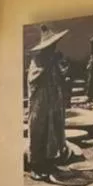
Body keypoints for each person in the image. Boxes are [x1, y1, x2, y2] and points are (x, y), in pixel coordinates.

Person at [27, 26, 70, 175]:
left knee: (53, 129)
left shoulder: (52, 59)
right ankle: (36, 165)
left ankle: (49, 160)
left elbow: (59, 78)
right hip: (40, 101)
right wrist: (52, 63)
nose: (54, 47)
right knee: (39, 129)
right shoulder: (38, 60)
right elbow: (36, 79)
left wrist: (63, 75)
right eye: (52, 45)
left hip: (52, 100)